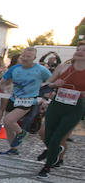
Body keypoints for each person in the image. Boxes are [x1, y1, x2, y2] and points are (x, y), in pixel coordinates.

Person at [38, 42, 85, 176]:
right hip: (57, 105)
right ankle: (56, 150)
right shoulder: (63, 67)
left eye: (84, 50)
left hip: (74, 108)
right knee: (47, 135)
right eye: (78, 49)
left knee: (57, 137)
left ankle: (47, 167)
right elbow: (45, 86)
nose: (80, 51)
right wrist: (54, 84)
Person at [0, 47, 51, 155]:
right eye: (23, 56)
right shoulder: (15, 68)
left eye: (28, 56)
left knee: (8, 120)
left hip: (28, 100)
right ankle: (13, 148)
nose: (25, 58)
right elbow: (3, 80)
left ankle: (22, 133)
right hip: (14, 99)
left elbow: (51, 81)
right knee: (7, 125)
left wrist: (45, 94)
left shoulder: (41, 70)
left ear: (34, 58)